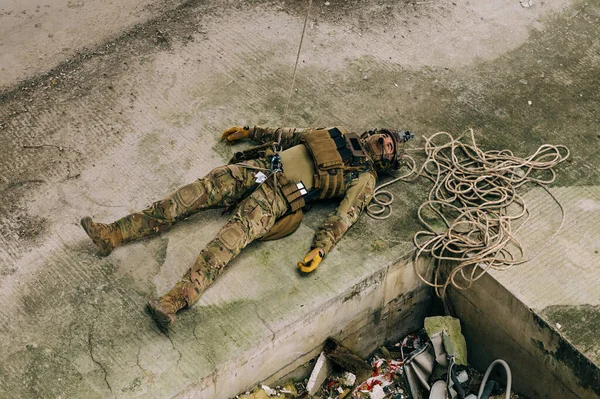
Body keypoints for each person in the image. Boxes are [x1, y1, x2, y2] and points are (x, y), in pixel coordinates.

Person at [81, 125, 412, 331]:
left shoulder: (365, 178)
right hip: (259, 169)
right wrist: (252, 131)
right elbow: (290, 135)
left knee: (227, 242)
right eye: (384, 136)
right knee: (189, 196)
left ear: (385, 161)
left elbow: (345, 215)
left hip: (279, 197)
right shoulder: (336, 133)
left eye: (389, 146)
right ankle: (112, 233)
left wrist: (320, 248)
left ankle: (173, 302)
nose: (384, 141)